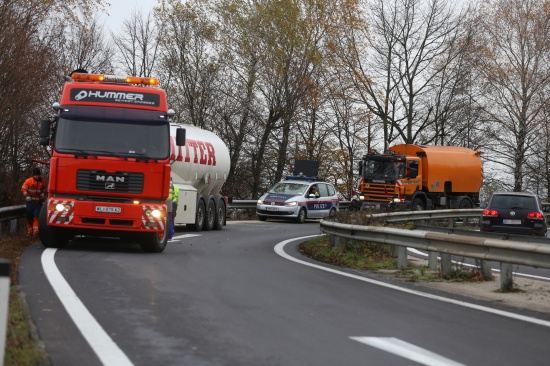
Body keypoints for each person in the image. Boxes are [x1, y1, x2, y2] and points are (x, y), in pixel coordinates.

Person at [21, 168, 47, 236]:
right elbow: (23, 189)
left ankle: (36, 233)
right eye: (36, 175)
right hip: (30, 202)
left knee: (36, 217)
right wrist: (26, 194)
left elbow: (45, 190)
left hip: (38, 203)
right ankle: (30, 231)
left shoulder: (43, 182)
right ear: (33, 175)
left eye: (38, 175)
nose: (37, 176)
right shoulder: (28, 181)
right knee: (29, 217)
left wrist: (43, 194)